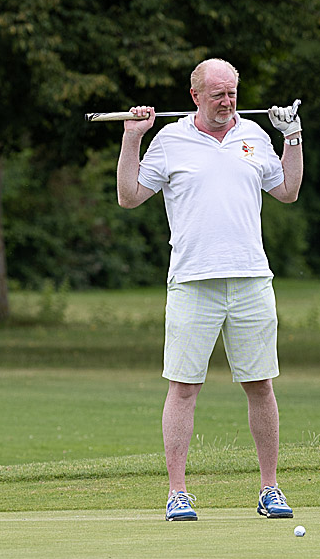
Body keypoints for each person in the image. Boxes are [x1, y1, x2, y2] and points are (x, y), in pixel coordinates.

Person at [115, 58, 303, 521]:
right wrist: (132, 138)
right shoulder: (171, 139)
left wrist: (293, 136)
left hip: (251, 278)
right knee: (183, 387)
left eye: (233, 92)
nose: (228, 101)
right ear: (195, 95)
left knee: (261, 384)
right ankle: (177, 492)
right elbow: (130, 196)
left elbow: (288, 191)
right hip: (192, 281)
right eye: (218, 93)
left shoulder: (255, 136)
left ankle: (270, 489)